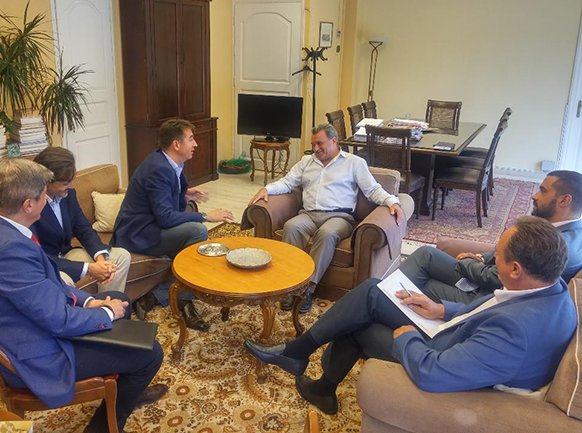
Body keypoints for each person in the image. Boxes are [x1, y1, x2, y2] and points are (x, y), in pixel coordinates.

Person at [245, 216, 576, 415]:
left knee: (360, 319)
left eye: (497, 258)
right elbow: (491, 307)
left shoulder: (515, 332)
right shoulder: (551, 288)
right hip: (455, 332)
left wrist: (408, 340)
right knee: (371, 292)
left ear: (515, 269)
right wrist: (443, 309)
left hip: (441, 352)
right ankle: (303, 360)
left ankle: (308, 369)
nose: (491, 262)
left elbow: (436, 373)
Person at [0, 158, 166, 433]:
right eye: (43, 194)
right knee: (150, 353)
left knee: (121, 301)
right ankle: (102, 427)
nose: (47, 199)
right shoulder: (10, 250)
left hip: (33, 325)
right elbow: (59, 320)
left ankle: (125, 390)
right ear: (28, 205)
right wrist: (106, 312)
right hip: (39, 353)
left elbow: (47, 282)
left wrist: (90, 301)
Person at [248, 123, 403, 312]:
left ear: (334, 141)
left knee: (327, 233)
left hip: (340, 217)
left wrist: (391, 202)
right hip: (309, 214)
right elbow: (287, 183)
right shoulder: (306, 162)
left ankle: (307, 289)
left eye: (320, 144)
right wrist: (267, 189)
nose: (315, 148)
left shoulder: (354, 163)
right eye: (313, 144)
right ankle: (290, 285)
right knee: (291, 227)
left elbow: (372, 190)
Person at [111, 118, 234, 331]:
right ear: (176, 144)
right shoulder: (158, 168)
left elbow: (161, 200)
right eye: (191, 139)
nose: (195, 144)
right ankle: (183, 299)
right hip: (137, 234)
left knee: (193, 234)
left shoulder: (168, 162)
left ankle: (156, 294)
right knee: (197, 230)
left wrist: (183, 193)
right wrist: (206, 216)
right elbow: (166, 218)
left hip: (150, 226)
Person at [401, 170, 582, 304]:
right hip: (485, 279)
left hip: (488, 297)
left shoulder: (559, 245)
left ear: (564, 200)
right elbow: (505, 249)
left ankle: (387, 302)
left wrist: (467, 262)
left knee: (419, 284)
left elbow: (497, 277)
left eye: (542, 191)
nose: (534, 195)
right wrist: (481, 257)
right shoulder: (556, 228)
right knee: (426, 254)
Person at [31, 147, 131, 295]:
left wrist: (100, 259)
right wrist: (89, 268)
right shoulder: (30, 205)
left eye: (72, 180)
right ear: (46, 182)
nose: (71, 186)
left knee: (121, 257)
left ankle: (107, 306)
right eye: (66, 183)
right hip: (47, 264)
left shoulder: (68, 194)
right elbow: (39, 256)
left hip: (68, 254)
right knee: (63, 281)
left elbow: (83, 228)